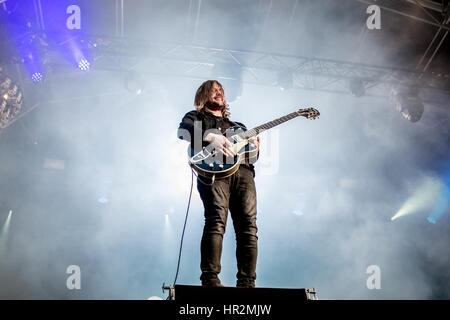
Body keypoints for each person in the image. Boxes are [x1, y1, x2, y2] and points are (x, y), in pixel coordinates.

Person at [177, 80, 260, 288]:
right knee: (216, 221)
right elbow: (183, 132)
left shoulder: (239, 127)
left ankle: (247, 282)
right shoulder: (196, 117)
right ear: (203, 95)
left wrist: (256, 148)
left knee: (249, 227)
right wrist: (210, 137)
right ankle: (211, 280)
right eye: (214, 90)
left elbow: (251, 156)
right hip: (214, 172)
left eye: (221, 90)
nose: (219, 93)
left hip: (243, 173)